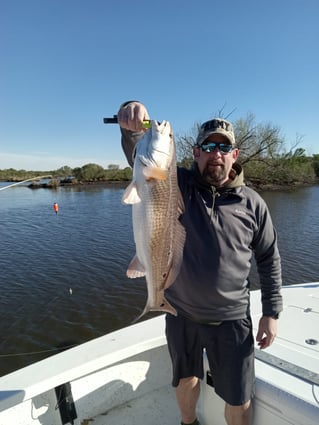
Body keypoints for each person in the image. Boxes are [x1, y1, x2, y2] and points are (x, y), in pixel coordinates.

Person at [117, 101, 283, 425]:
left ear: (234, 155)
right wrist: (132, 123)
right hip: (180, 313)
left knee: (239, 396)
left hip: (232, 319)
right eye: (208, 146)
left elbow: (269, 258)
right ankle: (188, 423)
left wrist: (271, 313)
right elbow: (144, 160)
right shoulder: (176, 184)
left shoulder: (254, 204)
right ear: (195, 153)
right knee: (185, 379)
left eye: (224, 147)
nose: (215, 153)